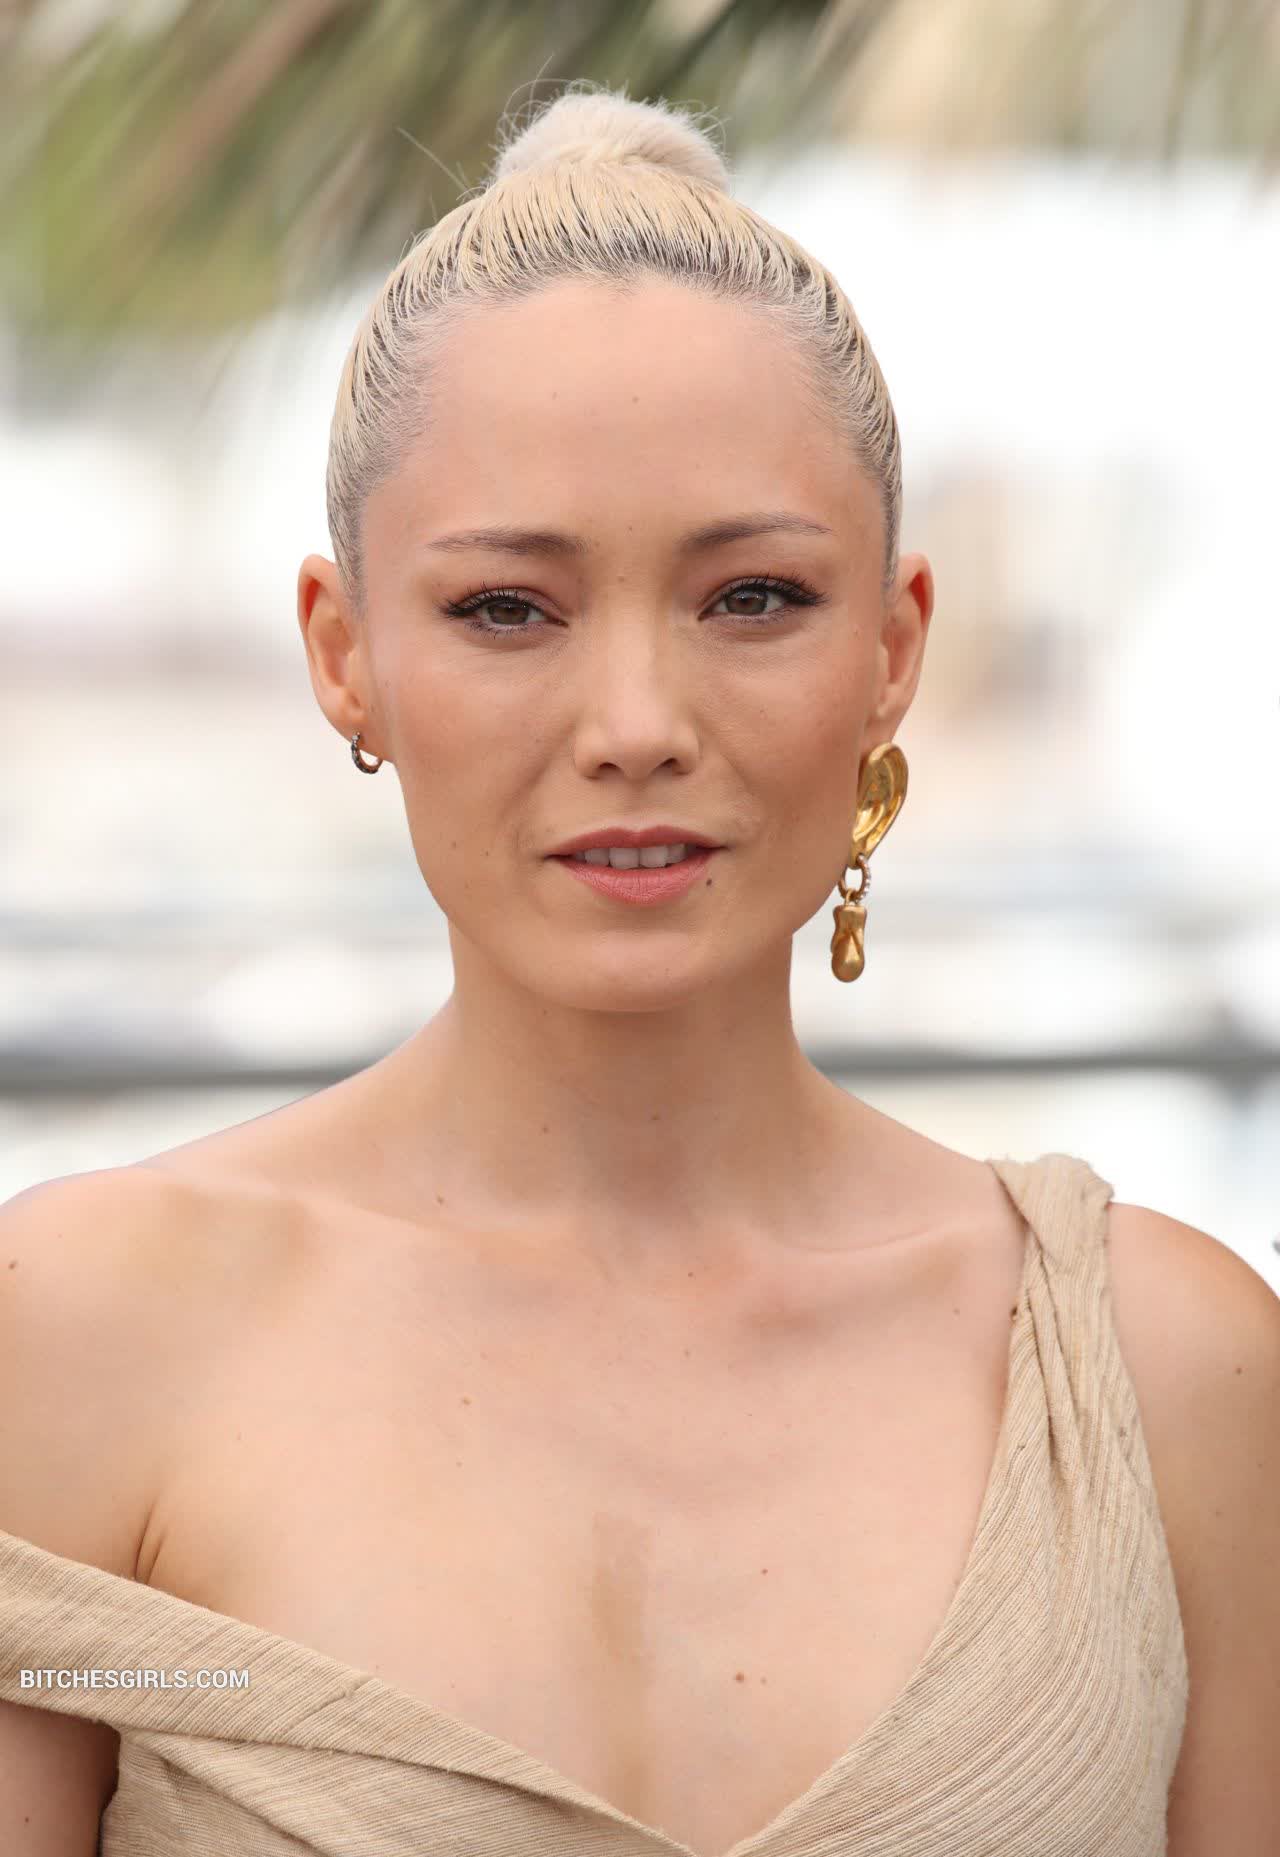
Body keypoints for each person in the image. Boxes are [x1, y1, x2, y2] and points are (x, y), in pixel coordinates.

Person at [1, 77, 1275, 1857]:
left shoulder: (1166, 1376)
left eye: (751, 597)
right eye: (506, 608)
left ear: (894, 645)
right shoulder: (81, 1335)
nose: (635, 722)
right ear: (343, 651)